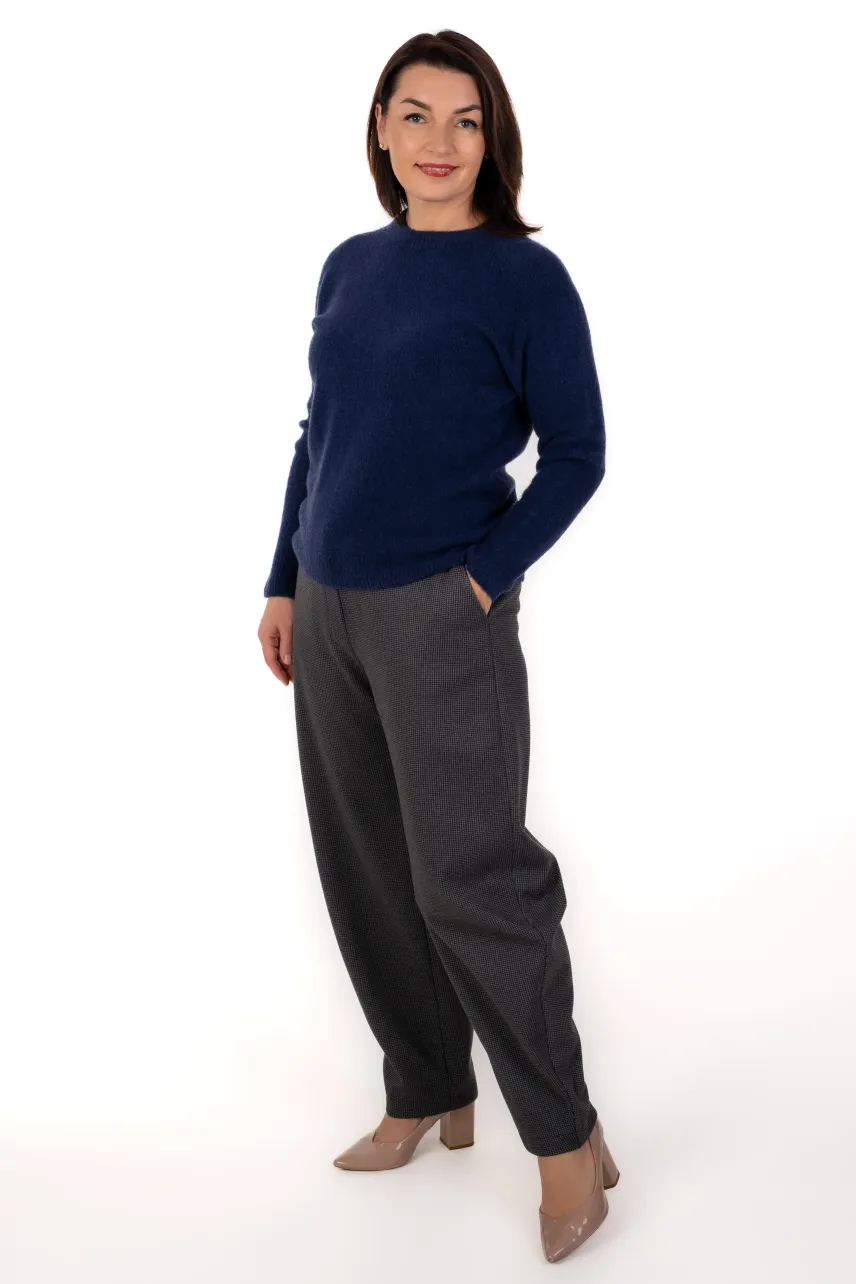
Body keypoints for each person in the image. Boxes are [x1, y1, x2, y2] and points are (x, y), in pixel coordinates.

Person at [257, 30, 619, 1264]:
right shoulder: (350, 265)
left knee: (471, 881)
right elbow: (321, 432)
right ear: (379, 128)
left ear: (492, 139)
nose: (438, 142)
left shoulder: (525, 279)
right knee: (366, 869)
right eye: (414, 115)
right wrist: (283, 579)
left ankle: (566, 1142)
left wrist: (479, 580)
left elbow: (577, 456)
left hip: (440, 610)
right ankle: (425, 1090)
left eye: (465, 120)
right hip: (328, 602)